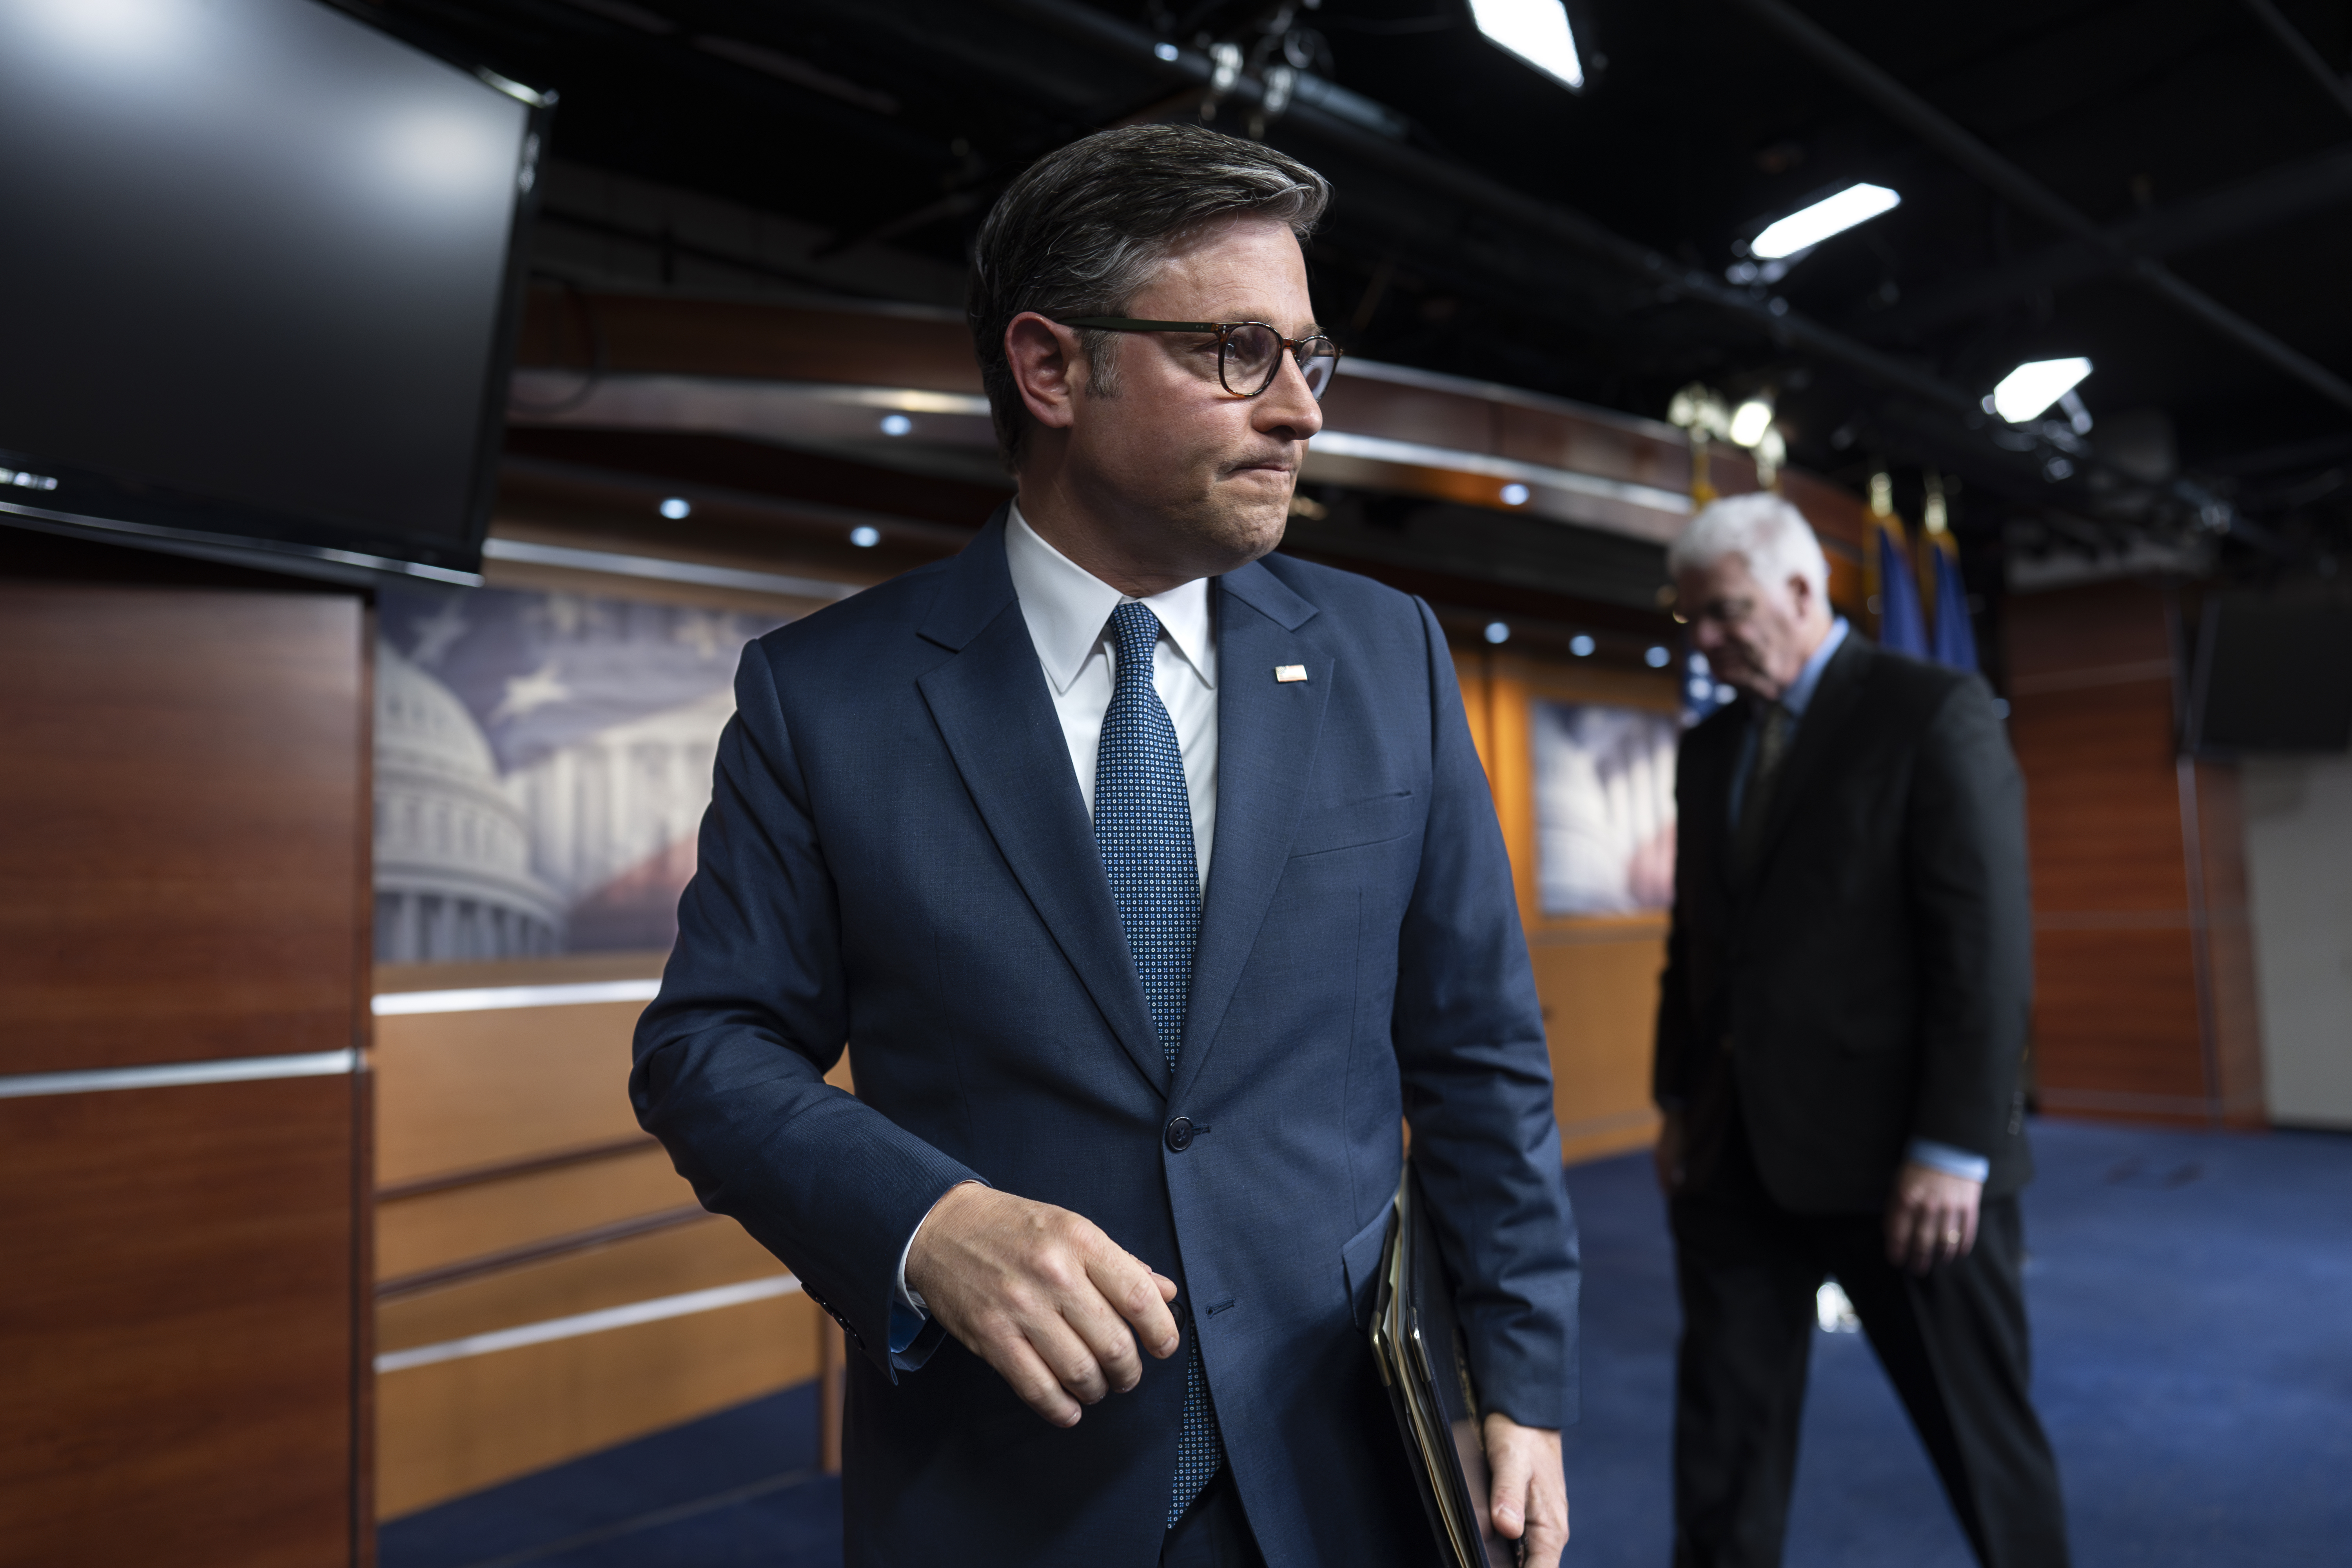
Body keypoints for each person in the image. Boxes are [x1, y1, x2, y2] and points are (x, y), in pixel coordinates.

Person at [630, 123, 1579, 1568]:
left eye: (1308, 358)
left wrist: (1520, 1385)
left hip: (1348, 1463)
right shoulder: (826, 696)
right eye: (1236, 352)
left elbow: (1479, 1052)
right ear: (1053, 368)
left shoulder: (1390, 655)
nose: (1302, 414)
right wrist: (926, 1223)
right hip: (1009, 1483)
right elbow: (708, 1049)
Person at [1653, 491, 2070, 1568]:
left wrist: (1952, 1146)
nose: (1703, 639)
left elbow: (1984, 951)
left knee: (1986, 1448)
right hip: (1736, 1156)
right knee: (1722, 1460)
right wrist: (1676, 1101)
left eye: (1725, 612)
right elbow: (1695, 945)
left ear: (1804, 590)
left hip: (1910, 1174)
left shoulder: (1933, 709)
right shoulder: (1710, 749)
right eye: (1690, 616)